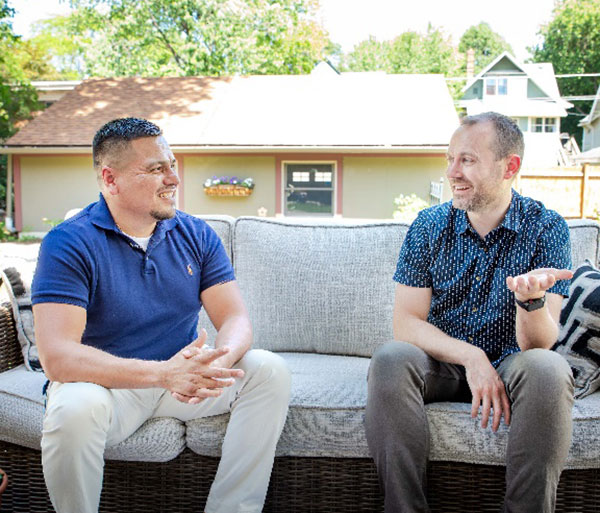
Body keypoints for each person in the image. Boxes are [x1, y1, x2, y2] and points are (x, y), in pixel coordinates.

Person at [31, 117, 291, 513]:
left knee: (268, 370)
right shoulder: (68, 243)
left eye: (172, 164)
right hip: (107, 389)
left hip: (182, 384)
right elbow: (58, 358)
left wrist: (213, 363)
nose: (173, 178)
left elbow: (235, 318)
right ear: (110, 178)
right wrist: (163, 374)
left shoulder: (196, 234)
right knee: (73, 408)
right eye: (156, 169)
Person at [365, 112, 575, 513]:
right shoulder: (428, 226)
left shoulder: (547, 228)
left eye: (468, 160)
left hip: (513, 364)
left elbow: (540, 345)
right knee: (391, 358)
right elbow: (405, 322)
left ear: (509, 166)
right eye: (449, 159)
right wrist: (470, 356)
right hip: (440, 364)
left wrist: (530, 302)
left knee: (549, 369)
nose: (452, 172)